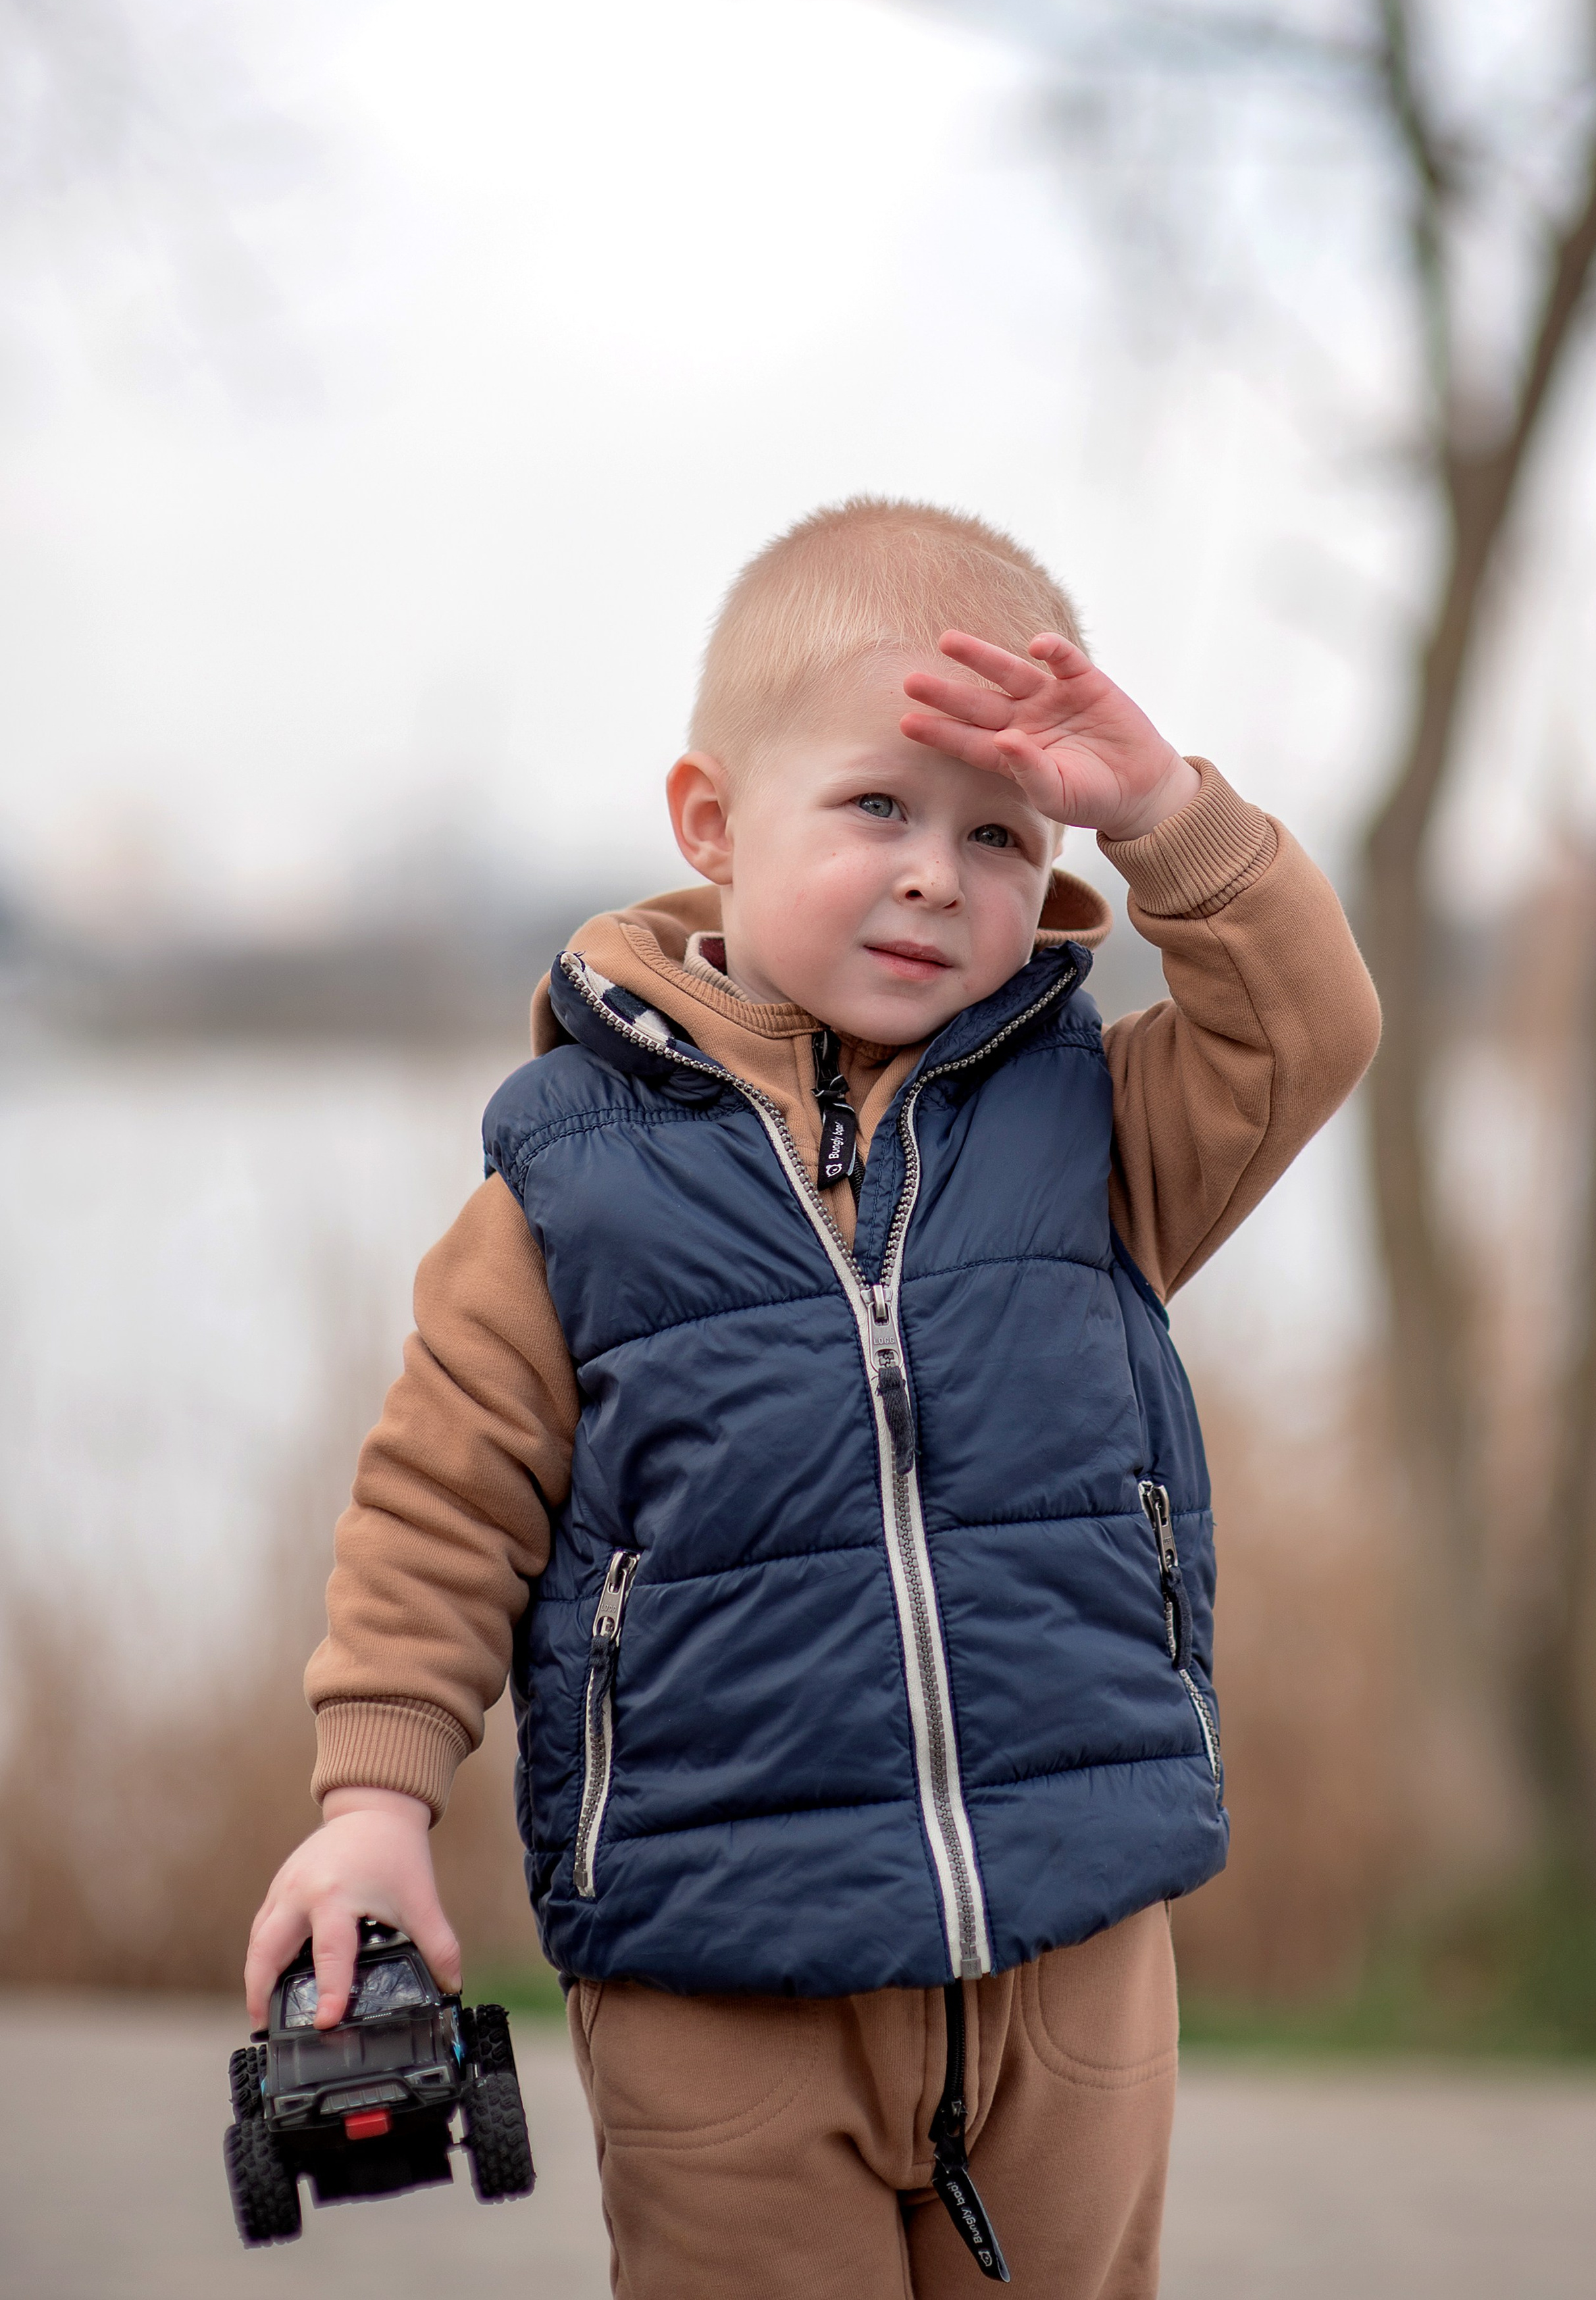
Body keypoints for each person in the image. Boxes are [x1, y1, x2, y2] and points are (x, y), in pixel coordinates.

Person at [246, 498, 1380, 2296]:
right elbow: (438, 1513)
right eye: (878, 808)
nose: (939, 872)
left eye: (1001, 834)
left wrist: (1169, 815)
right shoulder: (565, 1190)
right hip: (723, 1969)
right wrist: (372, 1806)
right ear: (711, 821)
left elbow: (1303, 1027)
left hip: (1068, 1945)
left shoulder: (1092, 1139)